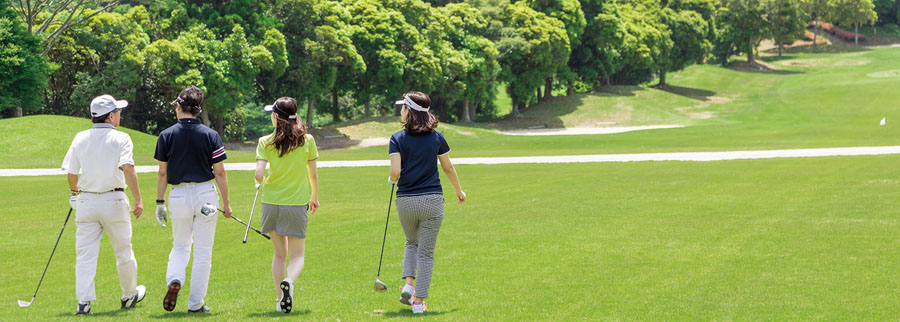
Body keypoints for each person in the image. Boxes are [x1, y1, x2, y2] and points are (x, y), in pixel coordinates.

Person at [62, 94, 146, 315]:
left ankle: (84, 303)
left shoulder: (80, 137)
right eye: (117, 112)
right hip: (114, 200)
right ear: (110, 116)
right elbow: (127, 168)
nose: (120, 115)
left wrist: (74, 195)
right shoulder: (122, 138)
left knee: (85, 255)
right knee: (123, 252)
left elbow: (72, 173)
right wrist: (138, 200)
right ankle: (129, 295)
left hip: (87, 201)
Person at [153, 85, 232, 313]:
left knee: (180, 246)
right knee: (203, 253)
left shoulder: (166, 135)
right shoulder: (211, 135)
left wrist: (160, 202)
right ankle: (195, 304)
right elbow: (220, 172)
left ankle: (175, 279)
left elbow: (162, 173)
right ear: (199, 109)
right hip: (206, 194)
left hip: (177, 195)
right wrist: (226, 204)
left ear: (179, 106)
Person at [388, 91, 466, 314]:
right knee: (426, 253)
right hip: (432, 200)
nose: (401, 111)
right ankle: (419, 302)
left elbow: (395, 172)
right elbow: (448, 167)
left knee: (411, 242)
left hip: (406, 201)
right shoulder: (437, 137)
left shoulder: (397, 138)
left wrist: (393, 178)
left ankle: (409, 284)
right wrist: (459, 191)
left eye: (403, 108)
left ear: (409, 111)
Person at [254, 97, 319, 313]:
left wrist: (262, 181)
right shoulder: (307, 140)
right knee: (298, 255)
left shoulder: (265, 141)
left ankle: (280, 300)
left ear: (276, 116)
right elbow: (313, 174)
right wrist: (314, 197)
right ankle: (289, 281)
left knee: (279, 254)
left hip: (271, 202)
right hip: (296, 202)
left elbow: (259, 174)